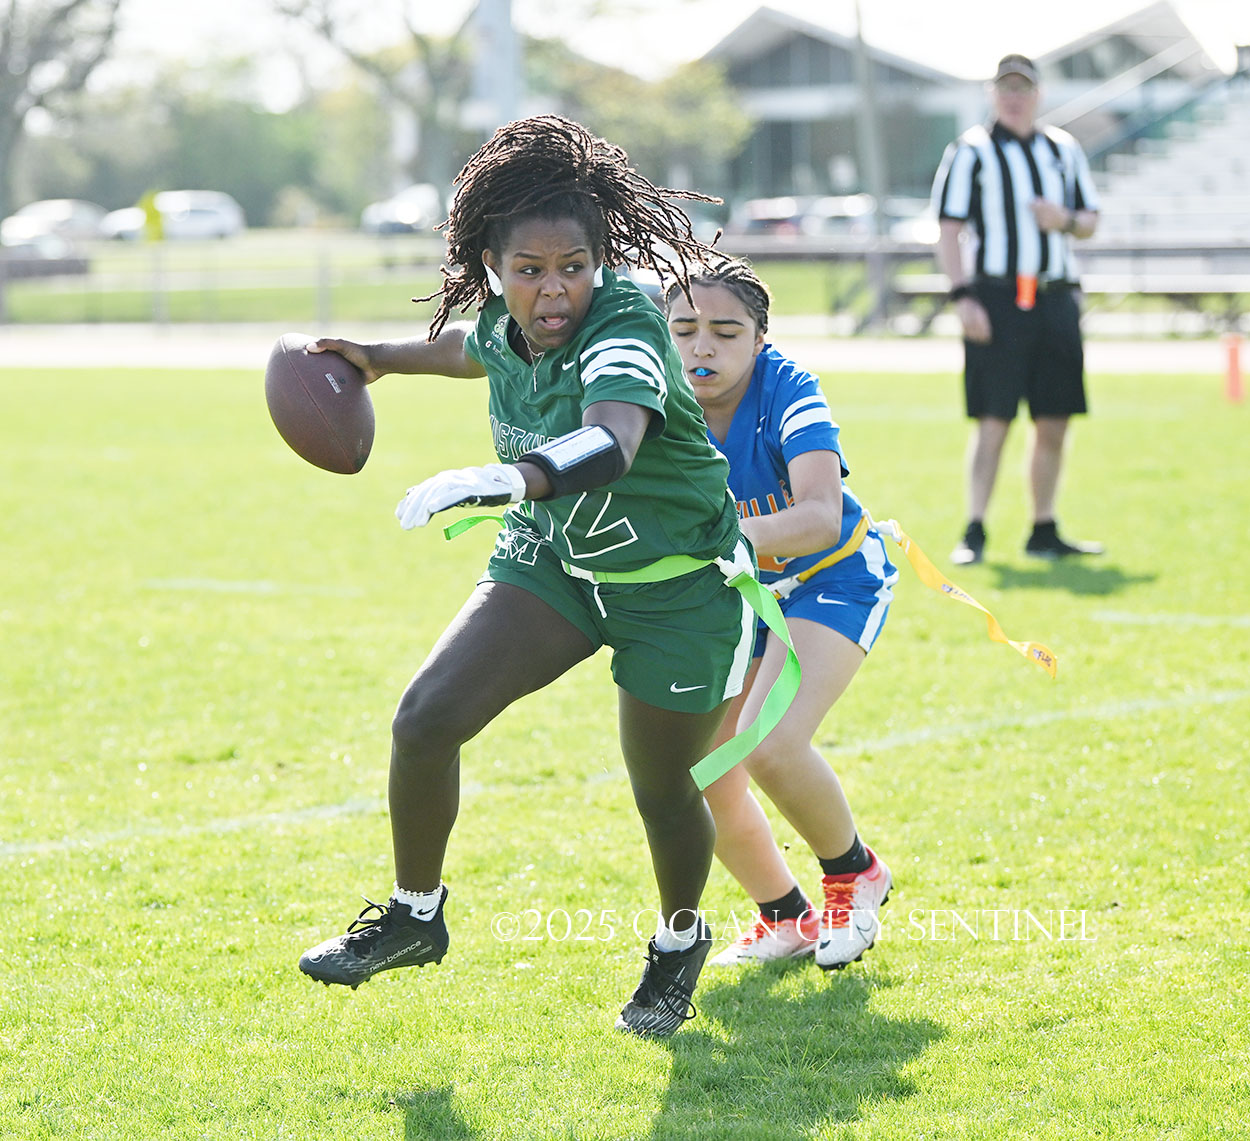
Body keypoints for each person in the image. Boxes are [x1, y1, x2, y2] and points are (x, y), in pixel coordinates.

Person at [297, 115, 756, 1038]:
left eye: (574, 267)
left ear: (600, 260)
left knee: (663, 790)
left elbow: (612, 440)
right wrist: (378, 359)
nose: (555, 291)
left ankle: (678, 942)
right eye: (531, 270)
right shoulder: (509, 322)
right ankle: (414, 916)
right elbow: (472, 347)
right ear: (492, 266)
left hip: (677, 587)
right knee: (425, 719)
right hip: (557, 559)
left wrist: (512, 476)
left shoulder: (624, 325)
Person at [664, 258, 895, 970]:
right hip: (743, 595)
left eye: (725, 331)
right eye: (684, 329)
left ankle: (854, 876)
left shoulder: (790, 389)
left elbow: (820, 517)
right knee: (704, 769)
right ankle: (785, 916)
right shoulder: (657, 398)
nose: (702, 346)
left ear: (761, 338)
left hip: (833, 578)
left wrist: (720, 538)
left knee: (769, 743)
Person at [931, 53, 1104, 565]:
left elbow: (1090, 220)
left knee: (1054, 419)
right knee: (994, 418)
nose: (1013, 97)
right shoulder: (971, 150)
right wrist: (962, 296)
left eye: (1022, 88)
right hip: (998, 297)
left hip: (1054, 295)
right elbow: (948, 230)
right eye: (1005, 87)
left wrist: (1062, 219)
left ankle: (1043, 527)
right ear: (992, 94)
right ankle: (975, 529)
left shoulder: (1062, 148)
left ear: (1037, 94)